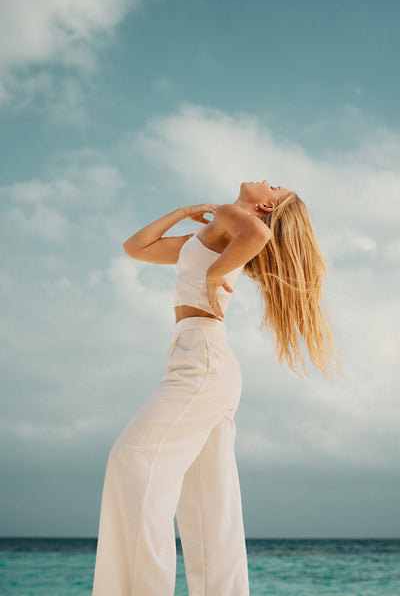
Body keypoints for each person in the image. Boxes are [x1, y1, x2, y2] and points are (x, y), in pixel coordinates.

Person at [91, 180, 341, 596]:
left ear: (263, 205)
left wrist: (213, 273)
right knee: (210, 503)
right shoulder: (217, 231)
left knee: (132, 461)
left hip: (203, 362)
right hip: (202, 359)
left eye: (277, 190)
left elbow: (260, 234)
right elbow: (136, 248)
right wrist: (182, 212)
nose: (272, 182)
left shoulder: (234, 215)